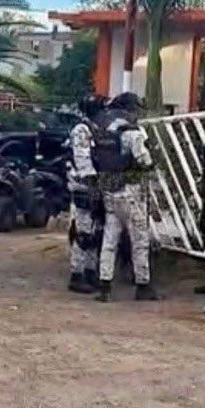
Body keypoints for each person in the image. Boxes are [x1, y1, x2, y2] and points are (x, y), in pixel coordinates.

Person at [96, 92, 158, 303]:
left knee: (109, 240)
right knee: (139, 240)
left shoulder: (105, 130)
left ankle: (104, 285)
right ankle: (143, 285)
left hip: (109, 190)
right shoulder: (133, 133)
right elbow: (144, 160)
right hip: (131, 191)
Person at [67, 95, 106, 294]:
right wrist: (92, 182)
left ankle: (90, 271)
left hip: (97, 184)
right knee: (83, 233)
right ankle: (77, 274)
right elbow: (82, 159)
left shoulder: (96, 129)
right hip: (84, 185)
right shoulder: (81, 130)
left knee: (96, 232)